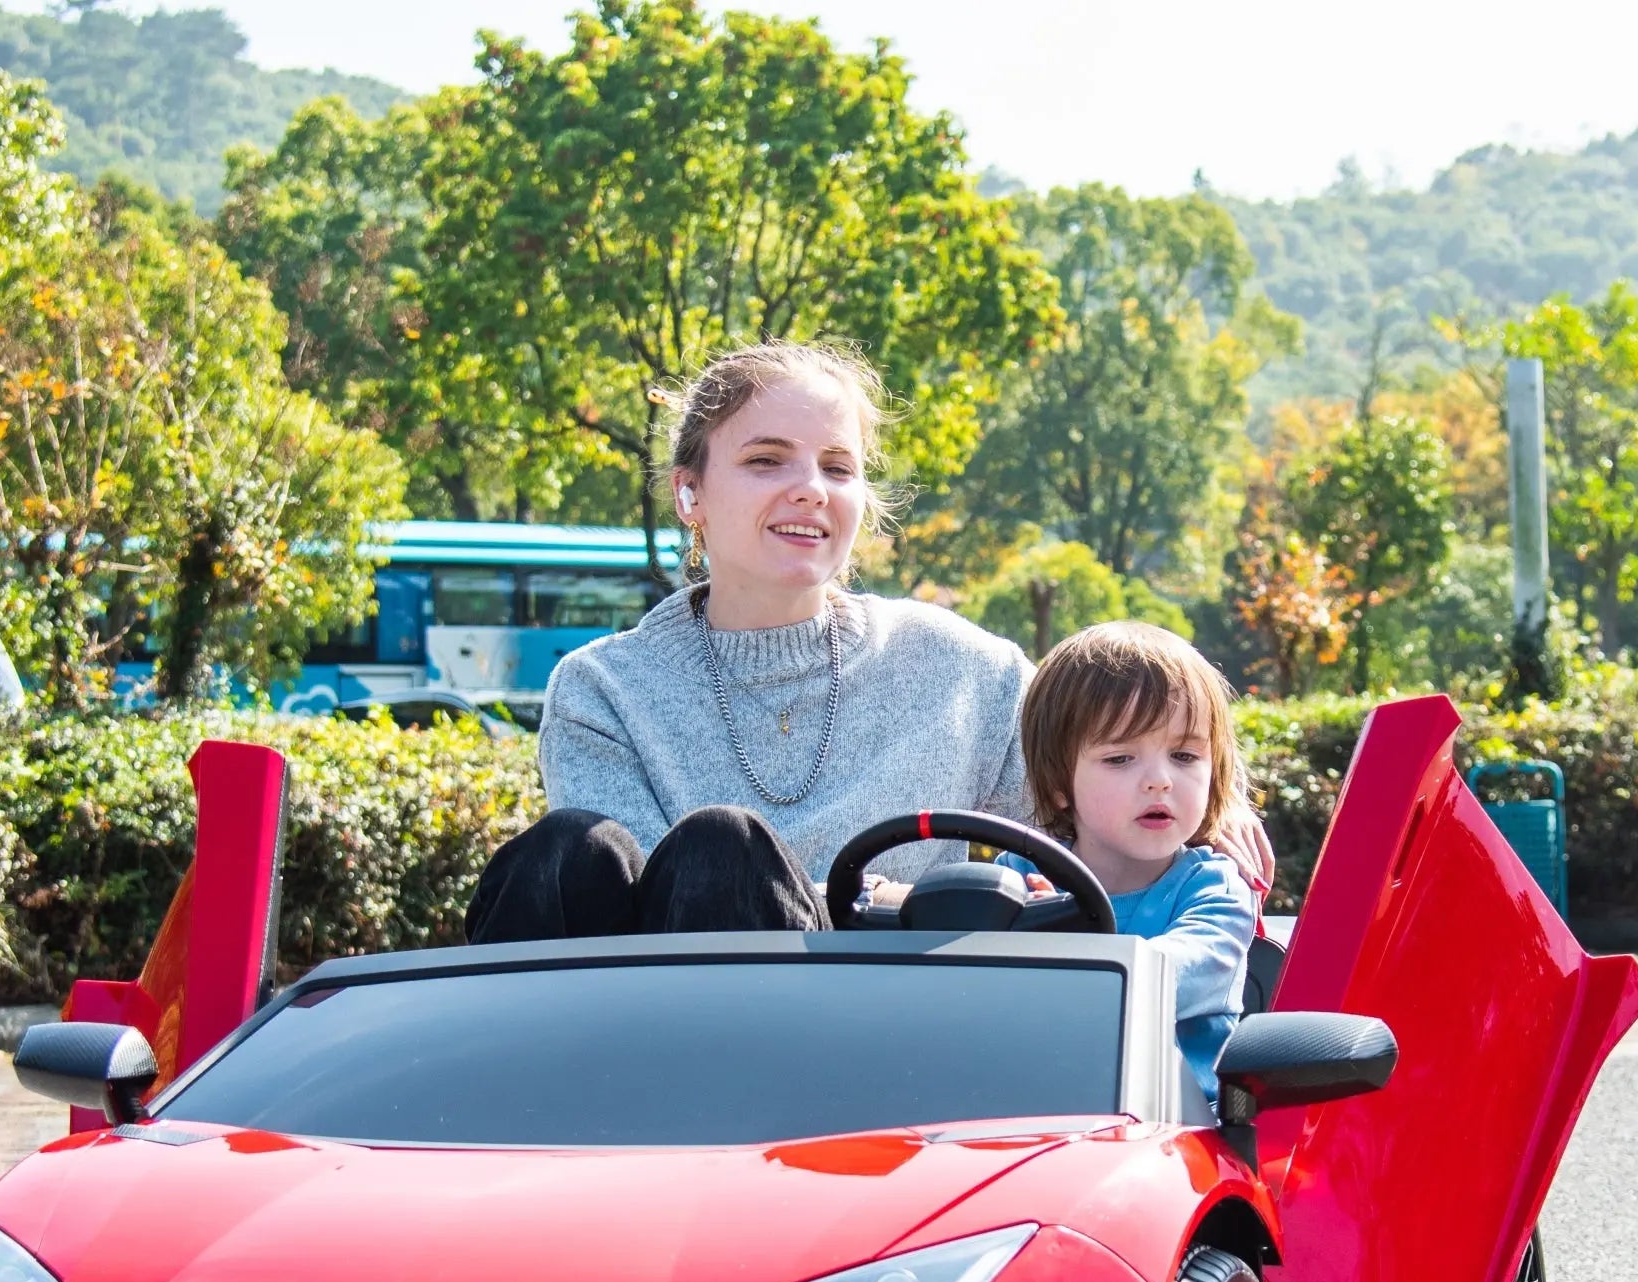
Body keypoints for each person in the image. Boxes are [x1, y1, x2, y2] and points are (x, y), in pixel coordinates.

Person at [466, 339, 1271, 939]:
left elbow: (1099, 784)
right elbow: (652, 913)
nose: (810, 491)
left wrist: (1215, 809)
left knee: (723, 843)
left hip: (891, 1047)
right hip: (652, 1037)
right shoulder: (603, 691)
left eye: (838, 467)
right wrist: (877, 897)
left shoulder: (966, 670)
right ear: (689, 494)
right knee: (596, 851)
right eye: (766, 460)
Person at [1015, 621, 1260, 1102]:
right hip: (1034, 1117)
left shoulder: (1216, 891)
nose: (1159, 780)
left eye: (1184, 756)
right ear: (1059, 784)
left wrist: (1057, 948)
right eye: (1120, 758)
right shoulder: (1019, 876)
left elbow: (1172, 976)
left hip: (1175, 1127)